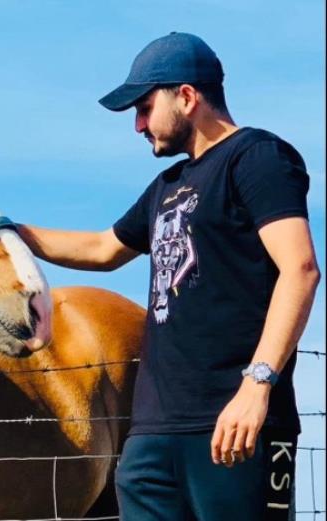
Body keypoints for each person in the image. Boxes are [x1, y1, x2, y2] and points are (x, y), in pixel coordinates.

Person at [16, 32, 320, 521]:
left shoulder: (258, 157)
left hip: (235, 427)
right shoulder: (167, 185)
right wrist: (5, 232)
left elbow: (300, 269)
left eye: (143, 107)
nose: (137, 125)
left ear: (186, 96)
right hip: (152, 438)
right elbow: (103, 248)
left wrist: (257, 386)